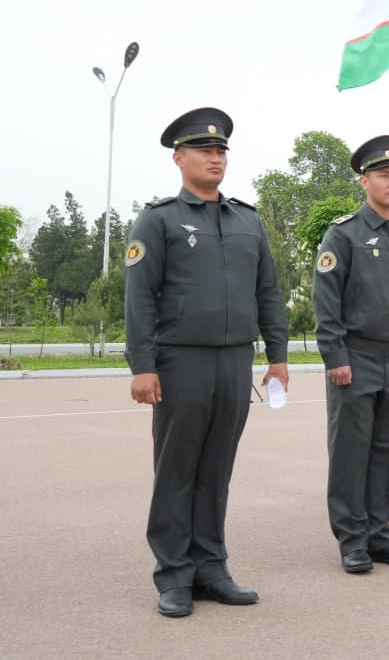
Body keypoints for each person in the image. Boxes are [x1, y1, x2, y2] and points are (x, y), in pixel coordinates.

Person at [124, 107, 288, 618]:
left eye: (220, 151)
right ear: (179, 159)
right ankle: (174, 574)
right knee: (177, 469)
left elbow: (268, 291)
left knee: (216, 470)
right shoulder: (158, 220)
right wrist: (142, 364)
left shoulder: (247, 220)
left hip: (235, 361)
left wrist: (278, 355)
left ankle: (212, 568)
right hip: (180, 361)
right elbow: (140, 297)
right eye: (203, 151)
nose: (215, 158)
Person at [313, 136, 389, 574]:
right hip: (356, 356)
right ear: (364, 182)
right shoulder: (343, 234)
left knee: (386, 448)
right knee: (351, 450)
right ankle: (352, 539)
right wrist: (335, 355)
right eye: (383, 175)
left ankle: (380, 533)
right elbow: (326, 299)